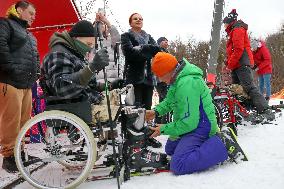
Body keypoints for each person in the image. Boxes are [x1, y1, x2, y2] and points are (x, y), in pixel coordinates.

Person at [146, 52, 248, 175]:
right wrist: (155, 112)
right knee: (170, 149)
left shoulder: (187, 84)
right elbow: (170, 101)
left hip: (201, 127)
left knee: (178, 164)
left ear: (167, 71)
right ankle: (203, 144)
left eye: (160, 76)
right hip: (191, 123)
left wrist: (163, 129)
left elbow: (190, 123)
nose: (160, 80)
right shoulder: (176, 79)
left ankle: (223, 143)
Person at [0, 1, 39, 173]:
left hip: (26, 84)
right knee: (11, 122)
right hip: (10, 82)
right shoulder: (5, 24)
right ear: (19, 10)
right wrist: (12, 70)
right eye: (30, 13)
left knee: (23, 122)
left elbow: (36, 56)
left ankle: (21, 154)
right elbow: (1, 48)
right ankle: (9, 158)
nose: (33, 17)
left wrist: (37, 73)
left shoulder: (29, 34)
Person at [41, 20, 110, 114]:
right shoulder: (58, 54)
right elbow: (62, 87)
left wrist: (109, 86)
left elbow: (89, 84)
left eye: (92, 45)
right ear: (75, 38)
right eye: (88, 44)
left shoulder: (76, 54)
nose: (89, 48)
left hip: (86, 102)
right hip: (75, 106)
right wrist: (91, 67)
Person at [223, 9, 274, 121]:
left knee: (249, 87)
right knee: (237, 89)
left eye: (225, 24)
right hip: (237, 64)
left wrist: (229, 65)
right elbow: (233, 50)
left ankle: (266, 110)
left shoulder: (237, 29)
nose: (224, 26)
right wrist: (228, 61)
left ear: (229, 22)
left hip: (241, 63)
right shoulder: (233, 30)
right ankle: (244, 109)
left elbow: (238, 49)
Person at [121, 13, 161, 148]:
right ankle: (134, 139)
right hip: (134, 79)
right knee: (135, 110)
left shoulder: (149, 37)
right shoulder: (126, 36)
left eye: (141, 18)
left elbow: (157, 50)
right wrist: (146, 50)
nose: (138, 20)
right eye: (135, 18)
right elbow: (129, 53)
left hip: (149, 79)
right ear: (130, 22)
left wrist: (140, 49)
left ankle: (147, 137)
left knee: (147, 110)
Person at [93, 11, 123, 89]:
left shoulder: (111, 40)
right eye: (101, 24)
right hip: (98, 80)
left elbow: (118, 40)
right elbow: (91, 35)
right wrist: (96, 23)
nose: (102, 26)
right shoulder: (93, 41)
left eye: (104, 24)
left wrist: (106, 21)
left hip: (113, 79)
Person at [155, 37, 169, 124]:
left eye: (168, 42)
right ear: (159, 42)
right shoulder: (157, 52)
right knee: (167, 100)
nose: (167, 43)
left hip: (165, 80)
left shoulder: (166, 53)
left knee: (162, 102)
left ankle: (159, 122)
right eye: (165, 41)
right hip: (159, 80)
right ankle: (162, 121)